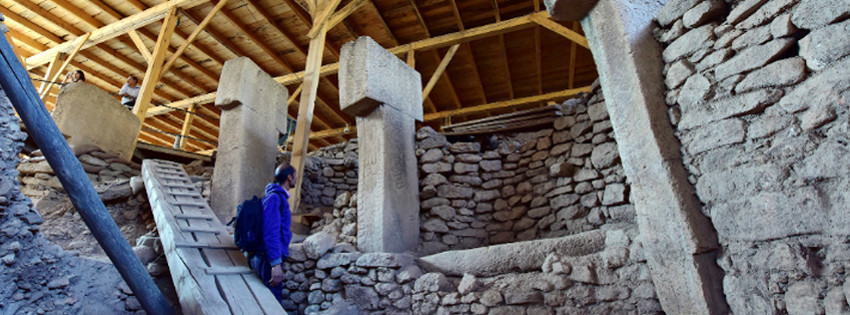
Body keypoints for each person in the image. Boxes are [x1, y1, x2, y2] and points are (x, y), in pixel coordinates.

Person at [250, 164, 295, 302]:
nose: (296, 179)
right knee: (271, 303)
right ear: (289, 177)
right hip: (267, 259)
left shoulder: (275, 198)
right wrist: (275, 263)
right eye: (295, 176)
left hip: (266, 257)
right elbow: (271, 232)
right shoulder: (275, 199)